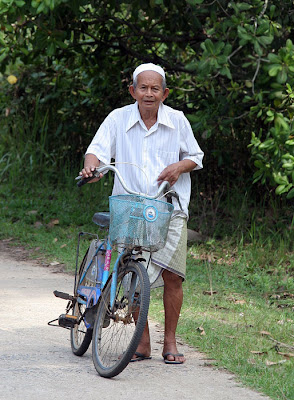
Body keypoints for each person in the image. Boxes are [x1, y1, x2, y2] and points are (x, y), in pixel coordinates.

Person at [80, 63, 204, 364]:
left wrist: (178, 166)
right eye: (143, 88)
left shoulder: (177, 120)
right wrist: (91, 166)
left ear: (165, 93)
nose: (149, 93)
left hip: (169, 206)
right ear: (132, 91)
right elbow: (96, 150)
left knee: (174, 276)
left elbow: (195, 156)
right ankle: (143, 341)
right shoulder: (117, 118)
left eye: (155, 88)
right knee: (134, 272)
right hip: (129, 206)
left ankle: (170, 341)